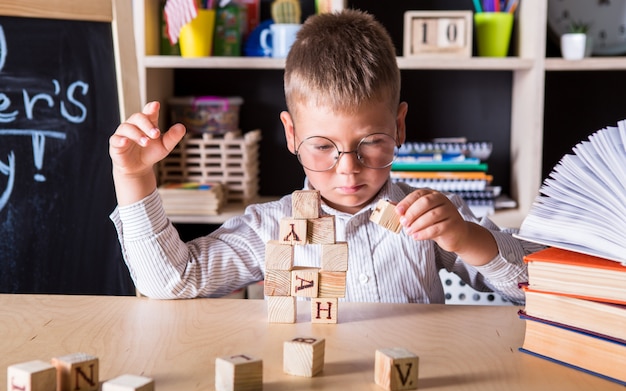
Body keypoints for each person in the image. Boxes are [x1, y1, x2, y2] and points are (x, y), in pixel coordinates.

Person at [109, 10, 540, 304]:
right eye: (321, 147)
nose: (348, 168)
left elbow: (536, 287)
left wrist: (468, 239)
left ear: (399, 128)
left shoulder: (430, 216)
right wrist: (134, 177)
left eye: (372, 141)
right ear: (292, 135)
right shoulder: (271, 228)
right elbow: (171, 281)